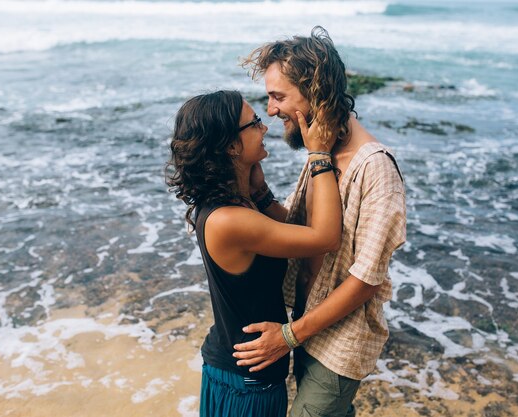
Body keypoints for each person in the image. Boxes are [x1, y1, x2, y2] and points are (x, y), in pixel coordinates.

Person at [234, 27, 407, 416]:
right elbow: (300, 233)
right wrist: (259, 192)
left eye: (278, 97)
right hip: (305, 325)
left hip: (338, 344)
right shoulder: (320, 150)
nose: (271, 110)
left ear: (315, 94)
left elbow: (366, 280)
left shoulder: (376, 168)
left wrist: (286, 337)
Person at [166, 90, 342, 417]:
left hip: (244, 370)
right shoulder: (230, 220)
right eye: (255, 123)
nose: (265, 128)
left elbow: (290, 228)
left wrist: (259, 191)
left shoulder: (237, 204)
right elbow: (326, 238)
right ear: (232, 146)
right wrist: (319, 154)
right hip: (245, 382)